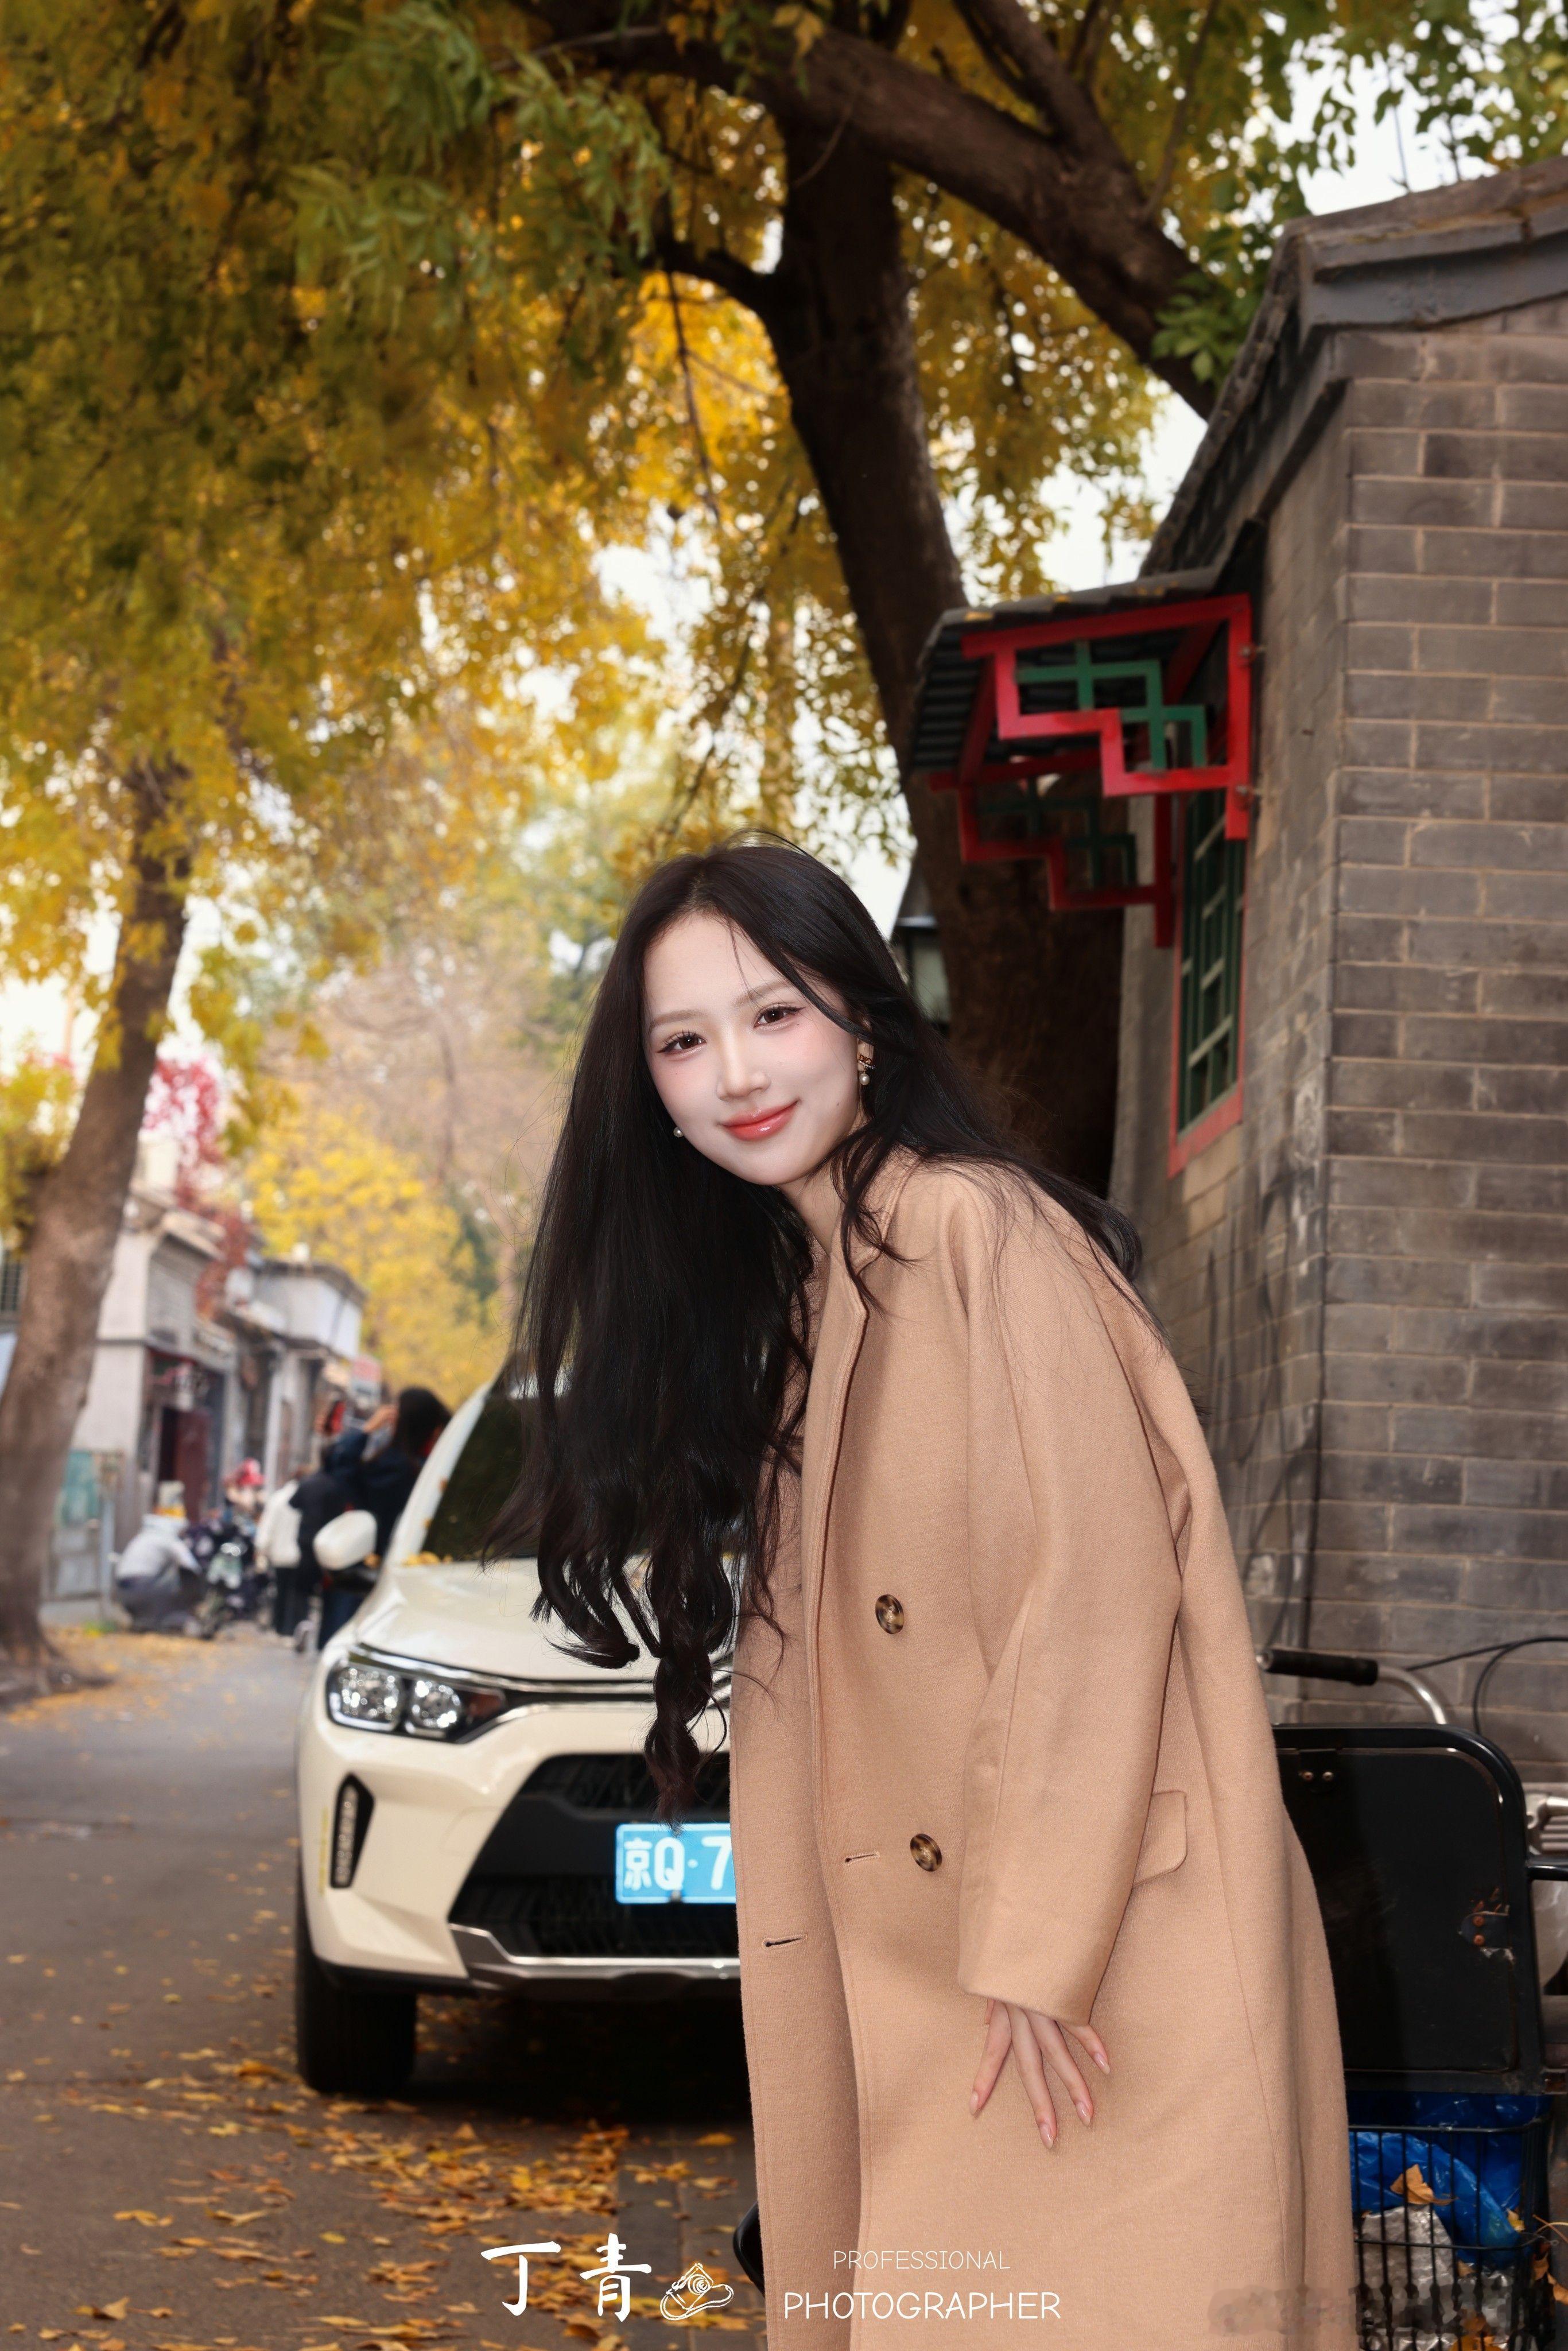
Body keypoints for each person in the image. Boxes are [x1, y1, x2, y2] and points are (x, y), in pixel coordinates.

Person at [488, 836, 1355, 2351]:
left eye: (774, 1014)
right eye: (683, 1042)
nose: (736, 1073)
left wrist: (1035, 1942)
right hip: (949, 1979)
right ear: (653, 1096)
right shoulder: (821, 1294)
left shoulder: (971, 1227)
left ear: (866, 1024)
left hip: (1086, 1970)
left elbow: (1093, 1581)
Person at [313, 1388, 451, 1648]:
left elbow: (338, 1465)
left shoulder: (394, 1467)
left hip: (373, 1574)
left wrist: (365, 1431)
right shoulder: (431, 1469)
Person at [112, 1483, 201, 1632]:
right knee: (179, 1575)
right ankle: (171, 1620)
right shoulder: (169, 1538)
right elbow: (191, 1567)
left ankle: (144, 1620)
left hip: (121, 1591)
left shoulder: (145, 1534)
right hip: (142, 1591)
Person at [255, 1466, 308, 1638]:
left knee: (282, 1591)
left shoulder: (278, 1498)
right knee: (298, 1594)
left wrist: (262, 1548)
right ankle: (293, 1627)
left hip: (279, 1553)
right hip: (300, 1553)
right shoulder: (308, 1498)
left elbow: (268, 1526)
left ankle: (280, 1627)